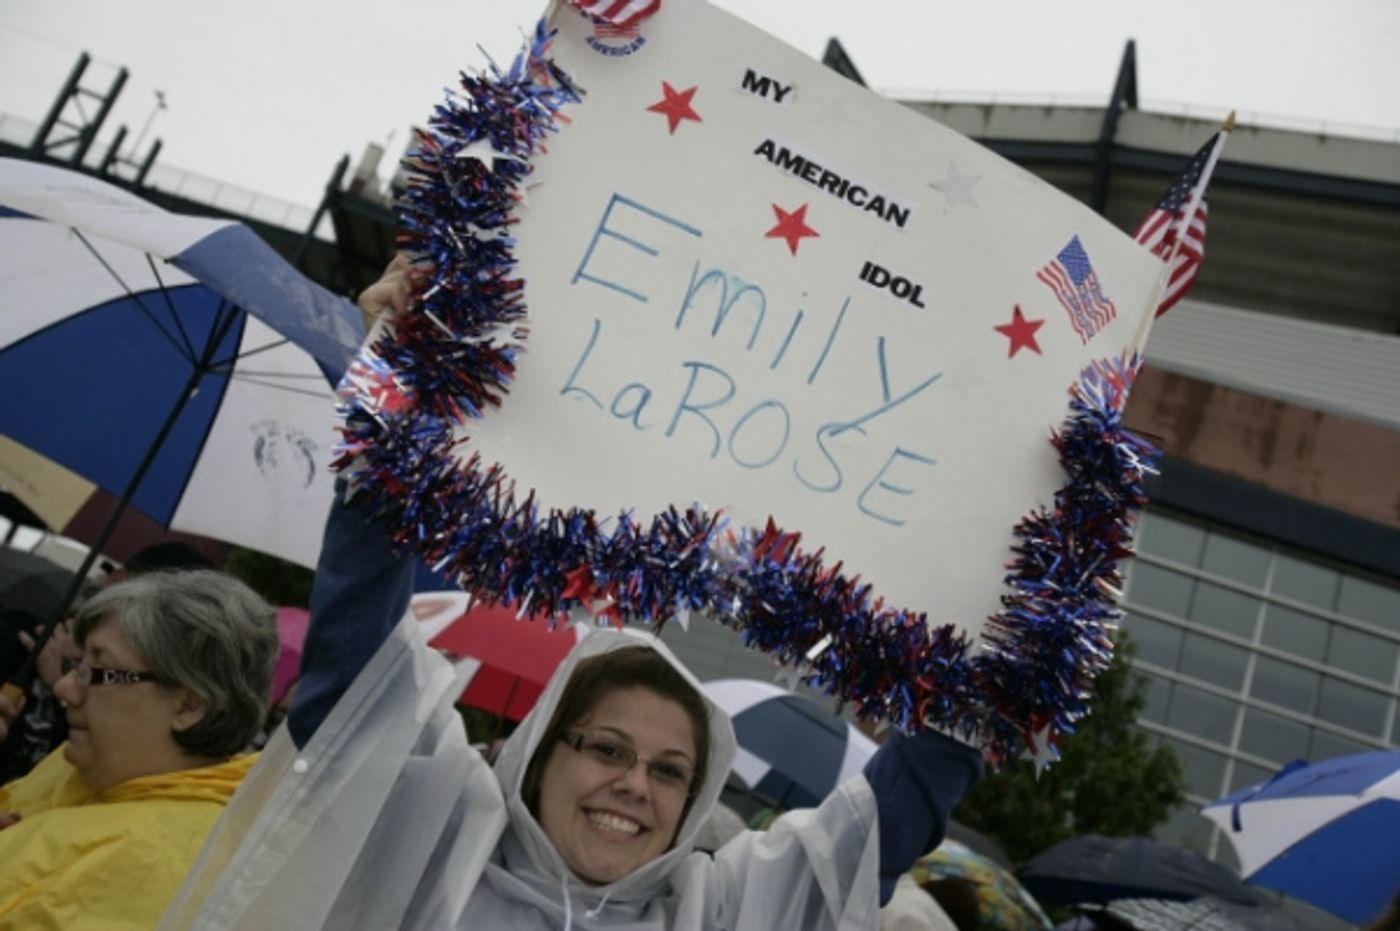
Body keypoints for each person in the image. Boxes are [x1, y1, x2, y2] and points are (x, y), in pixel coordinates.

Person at [156, 258, 984, 930]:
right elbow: (356, 671)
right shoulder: (426, 838)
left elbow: (900, 802)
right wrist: (402, 385)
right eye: (608, 748)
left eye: (671, 770)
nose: (636, 785)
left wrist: (1042, 553)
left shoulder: (723, 912)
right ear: (542, 751)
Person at [0, 569, 278, 929]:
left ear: (187, 706)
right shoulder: (89, 763)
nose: (65, 689)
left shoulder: (152, 862)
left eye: (98, 671)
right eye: (76, 665)